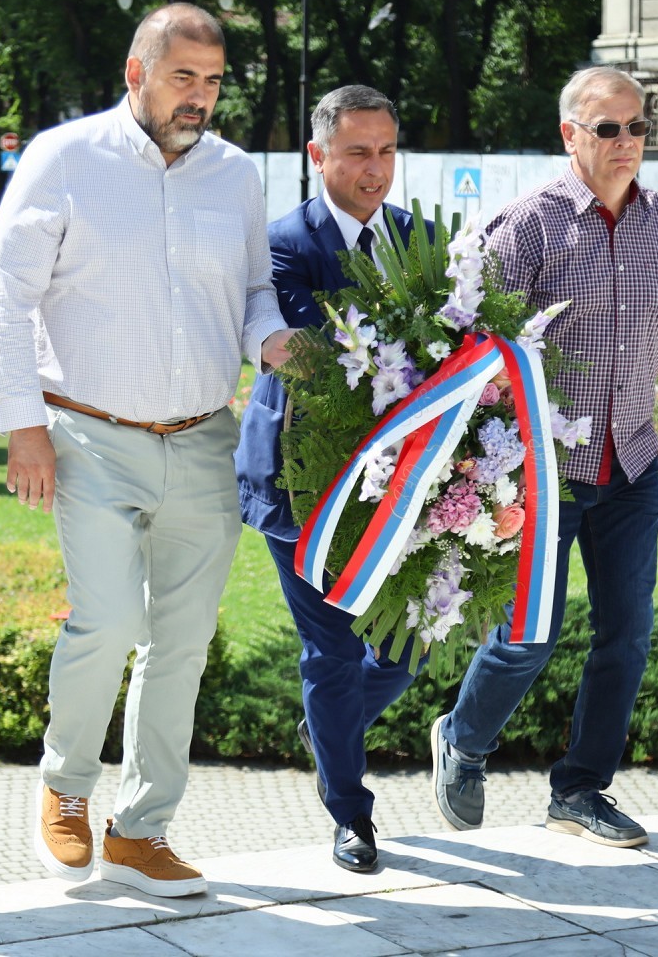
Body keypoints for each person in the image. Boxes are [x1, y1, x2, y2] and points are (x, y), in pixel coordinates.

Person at [0, 3, 293, 899]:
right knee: (109, 620)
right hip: (88, 435)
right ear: (136, 73)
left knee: (182, 643)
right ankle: (66, 786)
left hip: (203, 440)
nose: (200, 97)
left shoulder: (234, 175)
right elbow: (3, 298)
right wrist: (23, 425)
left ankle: (141, 830)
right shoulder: (64, 158)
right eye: (183, 77)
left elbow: (255, 292)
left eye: (213, 81)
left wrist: (273, 341)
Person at [430, 66, 658, 848]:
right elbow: (474, 349)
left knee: (627, 635)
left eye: (638, 127)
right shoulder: (528, 226)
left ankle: (582, 790)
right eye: (608, 128)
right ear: (570, 135)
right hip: (544, 472)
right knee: (528, 635)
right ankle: (462, 739)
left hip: (632, 463)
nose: (627, 141)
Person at [235, 85, 427, 874]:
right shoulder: (281, 247)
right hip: (301, 484)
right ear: (317, 156)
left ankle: (327, 725)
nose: (375, 168)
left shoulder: (418, 238)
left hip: (403, 488)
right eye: (356, 152)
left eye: (386, 151)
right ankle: (351, 814)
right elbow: (316, 351)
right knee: (334, 654)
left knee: (411, 644)